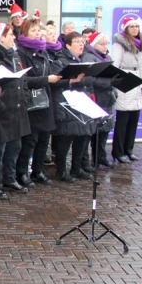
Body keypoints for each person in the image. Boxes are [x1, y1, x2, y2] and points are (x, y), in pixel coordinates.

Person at [0, 23, 31, 199]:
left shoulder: (15, 55)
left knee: (15, 147)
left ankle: (9, 179)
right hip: (0, 110)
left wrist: (24, 97)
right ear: (1, 37)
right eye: (10, 34)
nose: (14, 37)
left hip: (17, 108)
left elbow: (23, 79)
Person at [16, 19, 59, 185]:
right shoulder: (21, 53)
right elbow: (24, 79)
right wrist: (46, 79)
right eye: (34, 31)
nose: (38, 34)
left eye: (39, 31)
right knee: (29, 141)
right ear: (25, 33)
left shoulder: (43, 52)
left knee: (43, 139)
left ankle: (38, 170)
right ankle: (22, 172)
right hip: (31, 102)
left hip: (45, 100)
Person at [49, 32, 93, 182]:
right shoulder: (59, 62)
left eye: (82, 41)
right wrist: (72, 80)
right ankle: (61, 170)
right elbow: (54, 83)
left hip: (81, 103)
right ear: (68, 45)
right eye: (77, 42)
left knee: (82, 137)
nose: (81, 44)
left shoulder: (83, 60)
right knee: (66, 139)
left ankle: (76, 168)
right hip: (67, 104)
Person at [111, 17, 142, 164]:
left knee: (134, 120)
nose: (135, 29)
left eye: (137, 26)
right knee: (123, 121)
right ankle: (118, 151)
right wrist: (120, 83)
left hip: (136, 84)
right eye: (132, 27)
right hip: (125, 82)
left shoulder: (138, 47)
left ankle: (129, 149)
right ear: (126, 29)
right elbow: (115, 66)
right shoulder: (119, 46)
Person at [82, 32, 118, 168]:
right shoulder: (89, 57)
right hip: (97, 97)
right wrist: (109, 82)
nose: (105, 47)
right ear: (94, 44)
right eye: (102, 44)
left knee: (105, 130)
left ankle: (100, 157)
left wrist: (114, 87)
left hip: (108, 97)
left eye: (107, 44)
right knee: (94, 130)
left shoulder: (106, 57)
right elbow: (91, 79)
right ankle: (88, 160)